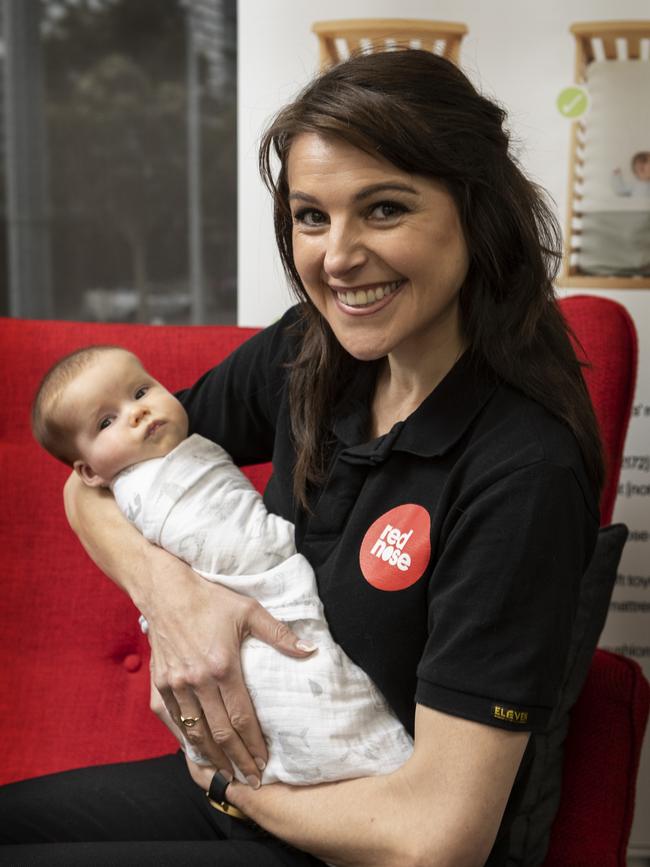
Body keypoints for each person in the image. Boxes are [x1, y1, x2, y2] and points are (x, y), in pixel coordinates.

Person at [0, 48, 602, 867]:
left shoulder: (522, 469)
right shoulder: (308, 351)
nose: (336, 256)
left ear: (477, 209)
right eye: (311, 216)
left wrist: (225, 783)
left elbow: (437, 838)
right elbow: (92, 483)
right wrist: (170, 596)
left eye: (384, 209)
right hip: (250, 791)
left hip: (350, 841)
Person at [30, 345, 413, 786]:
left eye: (141, 391)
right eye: (105, 422)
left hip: (300, 791)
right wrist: (169, 599)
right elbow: (78, 495)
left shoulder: (164, 435)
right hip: (247, 639)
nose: (136, 413)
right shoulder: (298, 345)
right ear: (91, 470)